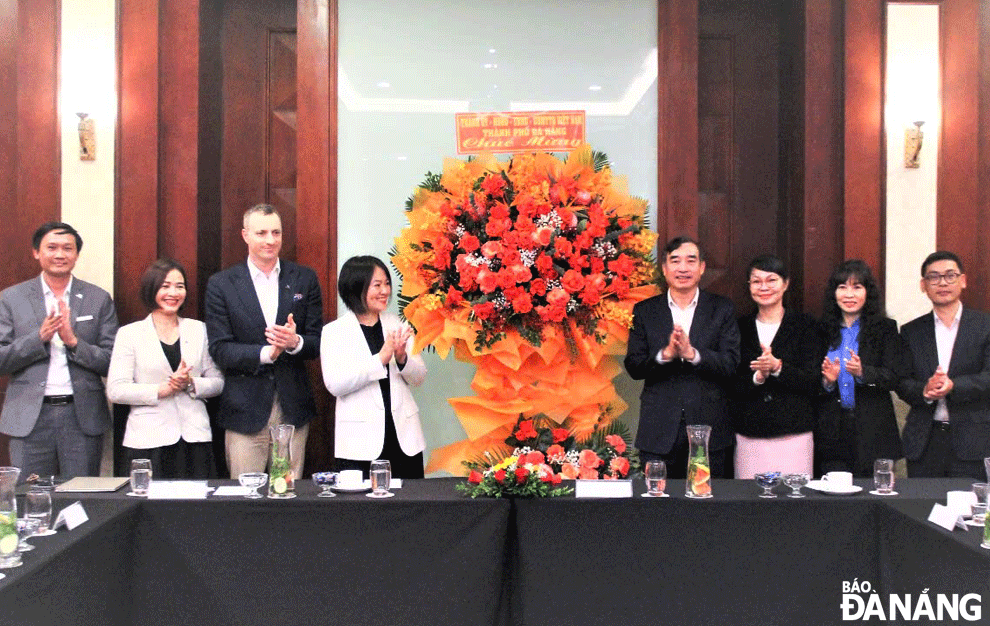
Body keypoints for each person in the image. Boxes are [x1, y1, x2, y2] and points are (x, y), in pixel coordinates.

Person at [205, 204, 323, 481]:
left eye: (276, 232)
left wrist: (294, 342)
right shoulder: (222, 284)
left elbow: (317, 341)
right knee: (245, 499)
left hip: (292, 407)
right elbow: (220, 349)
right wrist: (267, 353)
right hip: (244, 412)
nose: (270, 240)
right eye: (261, 233)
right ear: (245, 235)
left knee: (289, 492)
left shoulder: (304, 279)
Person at [0, 222, 118, 477]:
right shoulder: (11, 298)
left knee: (82, 498)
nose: (60, 255)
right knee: (27, 495)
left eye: (68, 248)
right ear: (36, 252)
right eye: (51, 247)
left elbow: (111, 360)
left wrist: (73, 341)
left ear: (76, 254)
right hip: (29, 416)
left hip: (81, 416)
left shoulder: (97, 298)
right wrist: (38, 338)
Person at [624, 236, 740, 479]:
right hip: (658, 431)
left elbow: (731, 364)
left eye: (691, 261)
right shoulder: (645, 311)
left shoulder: (722, 309)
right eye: (675, 261)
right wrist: (665, 355)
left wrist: (693, 354)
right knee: (658, 507)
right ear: (665, 269)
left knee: (707, 507)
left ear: (702, 268)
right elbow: (634, 366)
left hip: (709, 429)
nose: (683, 268)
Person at [106, 259, 224, 478]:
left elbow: (218, 381)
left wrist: (190, 383)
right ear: (152, 289)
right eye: (165, 286)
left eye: (179, 286)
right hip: (148, 441)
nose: (173, 292)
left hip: (194, 439)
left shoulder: (200, 330)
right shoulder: (130, 334)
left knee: (197, 509)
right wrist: (163, 389)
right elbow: (116, 390)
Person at [321, 256, 427, 479]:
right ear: (356, 287)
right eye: (377, 285)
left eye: (387, 283)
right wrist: (380, 358)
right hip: (359, 444)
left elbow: (419, 377)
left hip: (404, 439)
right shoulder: (334, 332)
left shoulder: (398, 324)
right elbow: (335, 384)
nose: (385, 291)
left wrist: (401, 358)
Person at [898, 252, 990, 479]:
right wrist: (925, 390)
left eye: (950, 276)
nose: (943, 283)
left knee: (970, 511)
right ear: (923, 285)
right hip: (925, 441)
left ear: (963, 281)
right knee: (921, 510)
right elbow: (901, 381)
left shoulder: (985, 326)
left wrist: (953, 386)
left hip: (973, 441)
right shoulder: (911, 331)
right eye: (934, 277)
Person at [733, 255, 822, 478]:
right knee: (749, 504)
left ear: (786, 283)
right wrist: (758, 377)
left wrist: (778, 367)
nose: (764, 287)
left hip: (794, 434)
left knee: (794, 503)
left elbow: (813, 382)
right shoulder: (738, 327)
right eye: (756, 281)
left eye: (771, 280)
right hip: (749, 434)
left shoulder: (807, 326)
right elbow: (729, 382)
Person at [817, 259, 905, 477]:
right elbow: (810, 378)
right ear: (834, 293)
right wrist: (827, 381)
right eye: (842, 287)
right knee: (832, 501)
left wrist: (863, 372)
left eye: (857, 287)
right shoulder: (820, 329)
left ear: (867, 292)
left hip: (873, 428)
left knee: (874, 498)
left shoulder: (885, 328)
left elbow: (894, 377)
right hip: (831, 430)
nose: (849, 294)